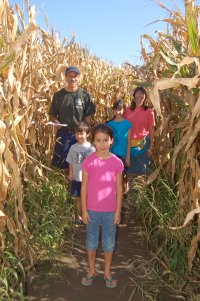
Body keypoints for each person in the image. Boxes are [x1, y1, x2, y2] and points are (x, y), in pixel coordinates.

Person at [81, 124, 123, 288]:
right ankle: (91, 270)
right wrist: (83, 210)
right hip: (91, 210)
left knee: (109, 243)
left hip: (110, 211)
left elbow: (119, 189)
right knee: (91, 241)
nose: (102, 144)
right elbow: (84, 187)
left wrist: (118, 211)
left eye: (106, 140)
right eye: (98, 140)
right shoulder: (88, 161)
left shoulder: (117, 163)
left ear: (112, 141)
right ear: (93, 142)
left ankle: (107, 271)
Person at [48, 66, 95, 169]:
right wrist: (56, 122)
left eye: (75, 76)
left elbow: (87, 118)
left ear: (79, 78)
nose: (73, 79)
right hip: (63, 134)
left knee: (79, 165)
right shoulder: (58, 95)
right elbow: (52, 116)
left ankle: (76, 184)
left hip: (79, 135)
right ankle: (62, 184)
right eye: (70, 76)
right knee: (60, 164)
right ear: (65, 77)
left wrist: (87, 135)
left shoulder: (84, 95)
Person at [66, 122, 95, 222]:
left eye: (81, 133)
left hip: (88, 179)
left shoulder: (91, 148)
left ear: (87, 134)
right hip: (77, 177)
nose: (79, 136)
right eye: (77, 133)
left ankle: (86, 214)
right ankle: (79, 215)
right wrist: (70, 173)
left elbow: (95, 164)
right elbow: (70, 161)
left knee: (88, 197)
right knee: (78, 197)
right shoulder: (73, 147)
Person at [124, 86, 155, 175]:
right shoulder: (127, 110)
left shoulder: (149, 111)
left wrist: (151, 147)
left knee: (142, 172)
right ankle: (129, 189)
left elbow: (151, 130)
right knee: (128, 172)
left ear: (145, 97)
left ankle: (141, 189)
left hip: (143, 145)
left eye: (142, 93)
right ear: (134, 96)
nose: (140, 95)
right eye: (138, 93)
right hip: (129, 145)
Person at [107, 99, 132, 193]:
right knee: (112, 179)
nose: (118, 112)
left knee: (123, 178)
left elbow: (129, 142)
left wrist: (128, 157)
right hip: (112, 155)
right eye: (116, 109)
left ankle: (122, 200)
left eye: (120, 109)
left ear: (123, 110)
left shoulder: (127, 124)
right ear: (113, 110)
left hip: (123, 155)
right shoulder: (109, 124)